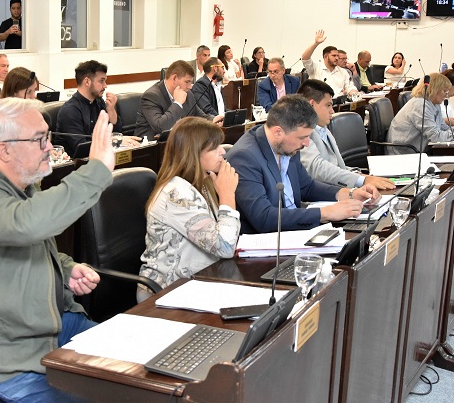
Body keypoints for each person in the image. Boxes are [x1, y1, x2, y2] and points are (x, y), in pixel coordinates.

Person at [0, 99, 116, 401]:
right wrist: (95, 171)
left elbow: (28, 240)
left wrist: (65, 269)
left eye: (48, 137)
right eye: (40, 139)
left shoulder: (20, 184)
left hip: (44, 324)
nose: (48, 147)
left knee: (133, 370)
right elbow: (27, 225)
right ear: (4, 150)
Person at [226, 95, 375, 234]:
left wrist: (349, 193)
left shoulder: (287, 146)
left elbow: (306, 186)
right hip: (269, 242)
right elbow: (264, 218)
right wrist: (326, 213)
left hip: (297, 231)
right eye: (302, 137)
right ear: (278, 132)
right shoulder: (244, 158)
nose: (306, 143)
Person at [138, 117, 240, 298]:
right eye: (214, 148)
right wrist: (227, 196)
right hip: (167, 290)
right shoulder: (175, 195)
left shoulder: (203, 181)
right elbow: (224, 247)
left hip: (200, 280)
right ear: (195, 152)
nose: (222, 152)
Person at [297, 79, 394, 190]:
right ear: (312, 105)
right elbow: (317, 168)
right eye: (328, 105)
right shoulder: (301, 132)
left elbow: (338, 167)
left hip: (340, 188)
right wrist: (361, 180)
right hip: (324, 193)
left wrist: (362, 176)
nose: (332, 111)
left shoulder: (323, 128)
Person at [55, 60, 137, 156]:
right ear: (87, 82)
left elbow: (117, 132)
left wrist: (111, 110)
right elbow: (81, 147)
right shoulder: (69, 111)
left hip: (101, 158)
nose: (105, 85)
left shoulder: (99, 102)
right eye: (101, 81)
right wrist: (112, 141)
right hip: (77, 165)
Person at [386, 73, 454, 154]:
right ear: (435, 89)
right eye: (444, 91)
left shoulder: (434, 104)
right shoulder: (420, 105)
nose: (446, 94)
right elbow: (435, 136)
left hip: (419, 150)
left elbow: (443, 127)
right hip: (403, 153)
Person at [134, 60, 222, 140]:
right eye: (187, 82)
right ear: (174, 78)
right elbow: (160, 127)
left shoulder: (188, 94)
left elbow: (199, 115)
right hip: (151, 148)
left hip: (178, 143)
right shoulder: (151, 96)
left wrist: (213, 119)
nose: (190, 86)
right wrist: (178, 103)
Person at [301, 30, 356, 97]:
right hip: (319, 103)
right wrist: (316, 43)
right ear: (325, 56)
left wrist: (353, 92)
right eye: (334, 56)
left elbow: (349, 87)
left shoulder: (343, 72)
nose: (336, 58)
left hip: (338, 103)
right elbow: (305, 58)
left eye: (337, 56)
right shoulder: (316, 67)